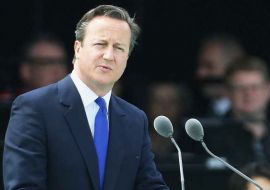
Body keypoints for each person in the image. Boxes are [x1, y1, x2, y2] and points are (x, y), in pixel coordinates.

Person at [3, 5, 169, 190]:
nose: (109, 55)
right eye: (101, 44)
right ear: (78, 48)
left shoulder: (135, 119)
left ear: (127, 58)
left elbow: (150, 185)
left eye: (119, 48)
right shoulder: (34, 108)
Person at [205, 56, 270, 187]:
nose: (248, 93)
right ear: (228, 92)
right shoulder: (209, 141)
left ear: (269, 90)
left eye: (255, 87)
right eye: (240, 88)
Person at [193, 34, 245, 117]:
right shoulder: (195, 113)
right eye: (200, 66)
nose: (200, 73)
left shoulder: (253, 115)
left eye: (209, 66)